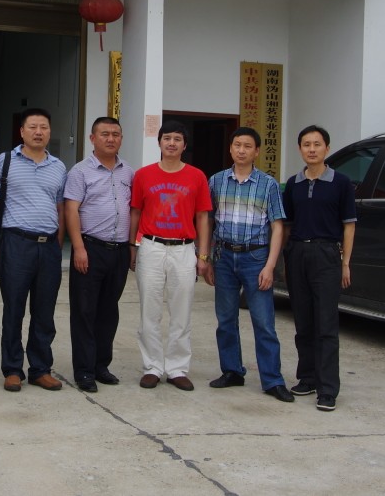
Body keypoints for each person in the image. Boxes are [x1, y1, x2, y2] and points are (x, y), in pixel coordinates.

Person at [204, 127, 293, 402]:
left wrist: (270, 265)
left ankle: (272, 380)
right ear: (230, 148)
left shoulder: (268, 184)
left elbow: (278, 226)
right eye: (237, 145)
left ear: (256, 151)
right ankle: (232, 371)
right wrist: (207, 258)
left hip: (256, 258)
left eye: (247, 146)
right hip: (223, 257)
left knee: (263, 322)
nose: (241, 150)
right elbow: (208, 220)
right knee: (225, 319)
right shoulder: (216, 181)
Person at [128, 120, 212, 391]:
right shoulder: (143, 175)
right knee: (149, 311)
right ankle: (152, 367)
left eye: (177, 139)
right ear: (159, 142)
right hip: (151, 247)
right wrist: (132, 245)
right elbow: (135, 212)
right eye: (167, 138)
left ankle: (177, 368)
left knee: (181, 312)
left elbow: (203, 217)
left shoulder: (197, 176)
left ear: (184, 145)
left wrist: (203, 255)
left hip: (184, 249)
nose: (172, 143)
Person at [282, 125, 356, 411]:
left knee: (326, 324)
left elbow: (349, 226)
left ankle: (327, 389)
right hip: (298, 252)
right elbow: (287, 225)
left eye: (317, 144)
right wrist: (284, 259)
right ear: (300, 149)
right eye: (306, 144)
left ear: (327, 148)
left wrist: (345, 263)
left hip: (327, 254)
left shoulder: (341, 183)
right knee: (303, 321)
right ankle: (308, 377)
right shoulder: (294, 184)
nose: (311, 149)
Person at [0, 108, 67, 392]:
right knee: (14, 309)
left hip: (48, 246)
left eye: (44, 127)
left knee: (44, 311)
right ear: (22, 131)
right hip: (16, 243)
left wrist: (58, 243)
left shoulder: (59, 166)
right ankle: (13, 369)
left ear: (50, 131)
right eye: (33, 127)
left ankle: (40, 369)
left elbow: (60, 207)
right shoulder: (5, 161)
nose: (39, 132)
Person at [64, 117, 134, 393]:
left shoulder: (128, 172)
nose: (111, 138)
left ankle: (101, 365)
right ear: (92, 138)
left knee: (109, 310)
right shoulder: (80, 172)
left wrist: (132, 247)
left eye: (116, 134)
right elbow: (71, 210)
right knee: (84, 311)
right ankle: (84, 370)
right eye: (105, 134)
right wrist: (78, 248)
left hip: (119, 251)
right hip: (90, 248)